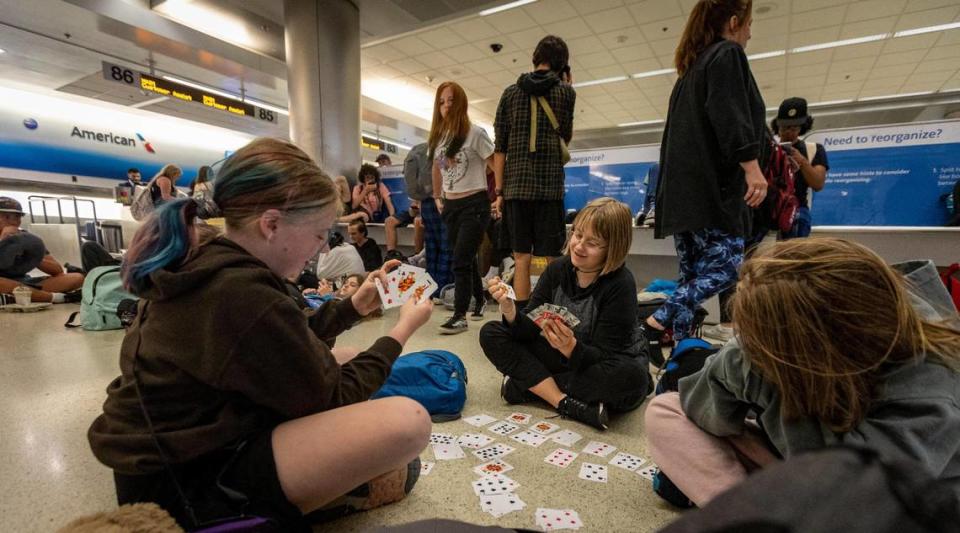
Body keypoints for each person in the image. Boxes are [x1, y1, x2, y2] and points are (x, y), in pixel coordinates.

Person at [87, 138, 434, 531]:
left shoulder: (214, 262)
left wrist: (353, 306)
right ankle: (252, 513)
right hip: (183, 494)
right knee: (409, 422)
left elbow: (283, 340)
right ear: (271, 225)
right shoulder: (241, 290)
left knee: (348, 356)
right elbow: (331, 393)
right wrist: (403, 329)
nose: (321, 247)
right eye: (319, 234)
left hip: (162, 465)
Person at [645, 238, 960, 507]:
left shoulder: (932, 385)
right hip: (803, 460)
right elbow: (706, 416)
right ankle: (749, 510)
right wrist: (741, 367)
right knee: (666, 410)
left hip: (876, 502)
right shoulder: (821, 343)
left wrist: (765, 386)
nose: (744, 341)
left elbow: (856, 497)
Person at [642, 0, 767, 351]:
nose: (750, 32)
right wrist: (752, 167)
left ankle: (681, 358)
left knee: (692, 278)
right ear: (732, 21)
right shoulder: (727, 54)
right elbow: (730, 115)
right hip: (714, 194)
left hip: (682, 198)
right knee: (728, 270)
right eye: (748, 23)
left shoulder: (690, 70)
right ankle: (656, 321)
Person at [480, 198, 651, 430]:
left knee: (633, 380)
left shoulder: (621, 283)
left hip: (601, 361)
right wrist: (509, 308)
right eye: (577, 235)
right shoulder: (557, 269)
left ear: (613, 248)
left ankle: (529, 386)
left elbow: (605, 354)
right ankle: (563, 402)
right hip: (563, 360)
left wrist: (570, 347)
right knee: (491, 333)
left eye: (592, 243)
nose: (579, 246)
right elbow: (527, 329)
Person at [493, 35, 576, 310]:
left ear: (536, 58)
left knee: (521, 258)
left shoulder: (509, 93)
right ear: (562, 64)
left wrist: (500, 191)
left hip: (516, 188)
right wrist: (568, 86)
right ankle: (553, 314)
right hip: (550, 188)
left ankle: (523, 316)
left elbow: (500, 148)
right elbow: (565, 137)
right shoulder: (565, 93)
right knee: (553, 258)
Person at [430, 81, 495, 334]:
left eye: (451, 100)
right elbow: (438, 168)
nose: (446, 106)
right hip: (451, 205)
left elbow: (495, 163)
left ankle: (460, 316)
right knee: (464, 259)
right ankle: (479, 299)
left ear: (462, 103)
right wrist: (438, 197)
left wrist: (498, 194)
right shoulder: (440, 138)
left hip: (475, 205)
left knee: (460, 259)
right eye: (442, 101)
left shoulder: (476, 133)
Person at [0, 197, 84, 303]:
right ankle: (56, 298)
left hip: (23, 281)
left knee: (76, 278)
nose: (13, 221)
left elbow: (57, 270)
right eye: (7, 217)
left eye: (17, 217)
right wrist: (3, 242)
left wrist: (32, 256)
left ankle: (16, 297)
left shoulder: (26, 239)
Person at [772, 96, 828, 239]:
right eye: (784, 127)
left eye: (794, 128)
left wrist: (802, 161)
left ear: (802, 127)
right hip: (770, 208)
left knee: (794, 247)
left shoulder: (814, 149)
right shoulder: (769, 150)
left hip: (797, 208)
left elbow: (818, 184)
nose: (788, 133)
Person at [404, 142, 451, 287]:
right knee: (446, 246)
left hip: (425, 203)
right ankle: (443, 286)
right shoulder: (443, 149)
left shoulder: (420, 149)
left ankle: (430, 286)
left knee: (431, 246)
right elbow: (446, 173)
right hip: (443, 201)